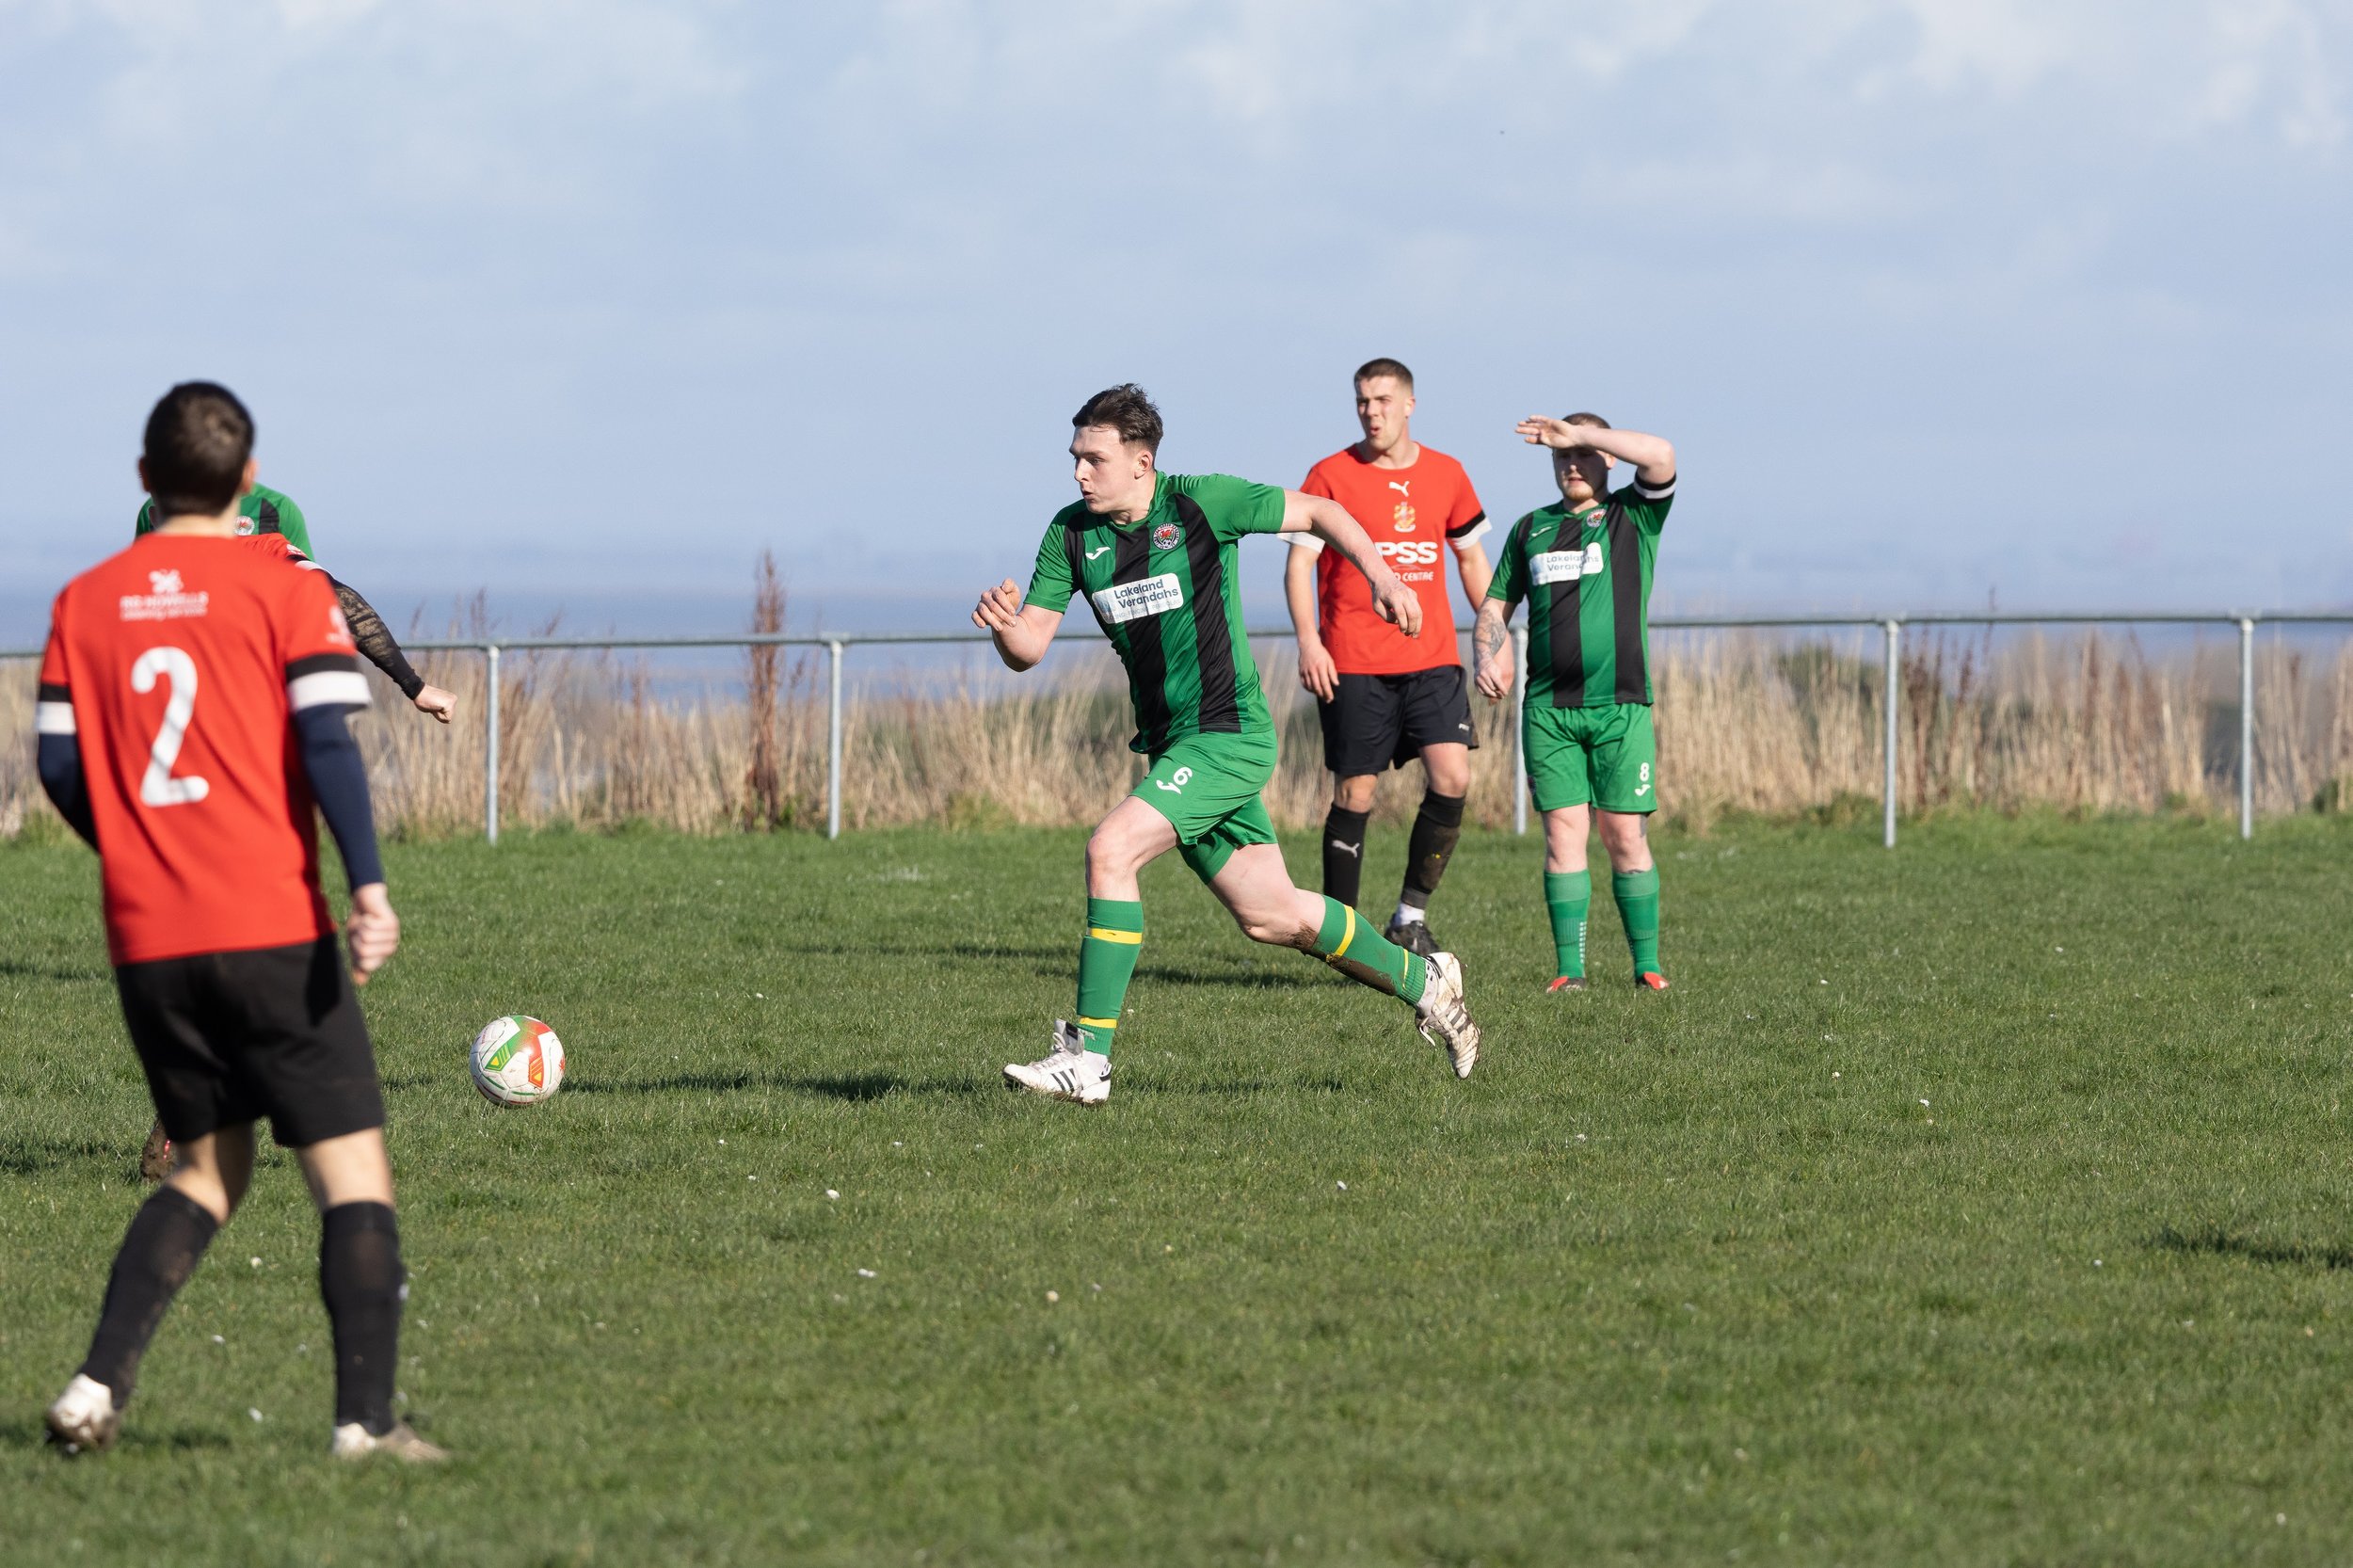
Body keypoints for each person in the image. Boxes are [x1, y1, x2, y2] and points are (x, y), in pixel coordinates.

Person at [40, 382, 442, 1462]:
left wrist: (134, 846)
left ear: (141, 482)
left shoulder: (83, 600)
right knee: (351, 1171)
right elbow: (324, 744)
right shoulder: (283, 583)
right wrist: (368, 884)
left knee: (208, 1170)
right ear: (250, 481)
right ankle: (364, 1422)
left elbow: (59, 763)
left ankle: (92, 1387)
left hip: (149, 937)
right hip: (267, 920)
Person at [972, 384, 1481, 1103]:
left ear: (1142, 461)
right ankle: (1425, 983)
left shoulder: (1204, 503)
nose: (1080, 473)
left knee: (1109, 850)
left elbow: (1323, 511)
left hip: (1228, 735)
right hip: (1172, 747)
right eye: (1075, 458)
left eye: (1094, 458)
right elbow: (1031, 646)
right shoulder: (1070, 534)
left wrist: (1384, 575)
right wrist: (1004, 630)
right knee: (1272, 914)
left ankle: (1089, 1060)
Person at [132, 496, 453, 1184]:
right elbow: (343, 606)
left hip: (168, 821)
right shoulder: (265, 554)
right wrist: (413, 684)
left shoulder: (129, 586)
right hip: (250, 808)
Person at [1285, 358, 1492, 956]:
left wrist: (1492, 635)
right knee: (1357, 795)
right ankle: (1342, 937)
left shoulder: (1448, 473)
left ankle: (1408, 917)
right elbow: (1299, 565)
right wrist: (1309, 641)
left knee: (1453, 777)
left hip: (1432, 659)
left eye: (1381, 400)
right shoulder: (1329, 474)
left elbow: (1472, 560)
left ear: (1409, 404)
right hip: (1352, 661)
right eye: (1361, 402)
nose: (1370, 412)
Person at [1473, 411, 1677, 992]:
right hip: (1549, 712)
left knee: (1624, 836)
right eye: (1560, 455)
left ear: (1607, 456)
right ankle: (1571, 972)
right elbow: (1494, 606)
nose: (1570, 463)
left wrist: (1581, 433)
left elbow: (1661, 453)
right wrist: (1486, 654)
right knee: (1564, 836)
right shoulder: (1530, 529)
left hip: (1621, 708)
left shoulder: (1633, 516)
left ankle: (1647, 967)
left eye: (1582, 453)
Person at [137, 481, 457, 727]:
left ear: (154, 516)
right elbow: (333, 599)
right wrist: (414, 685)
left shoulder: (109, 587)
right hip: (246, 733)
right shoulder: (263, 550)